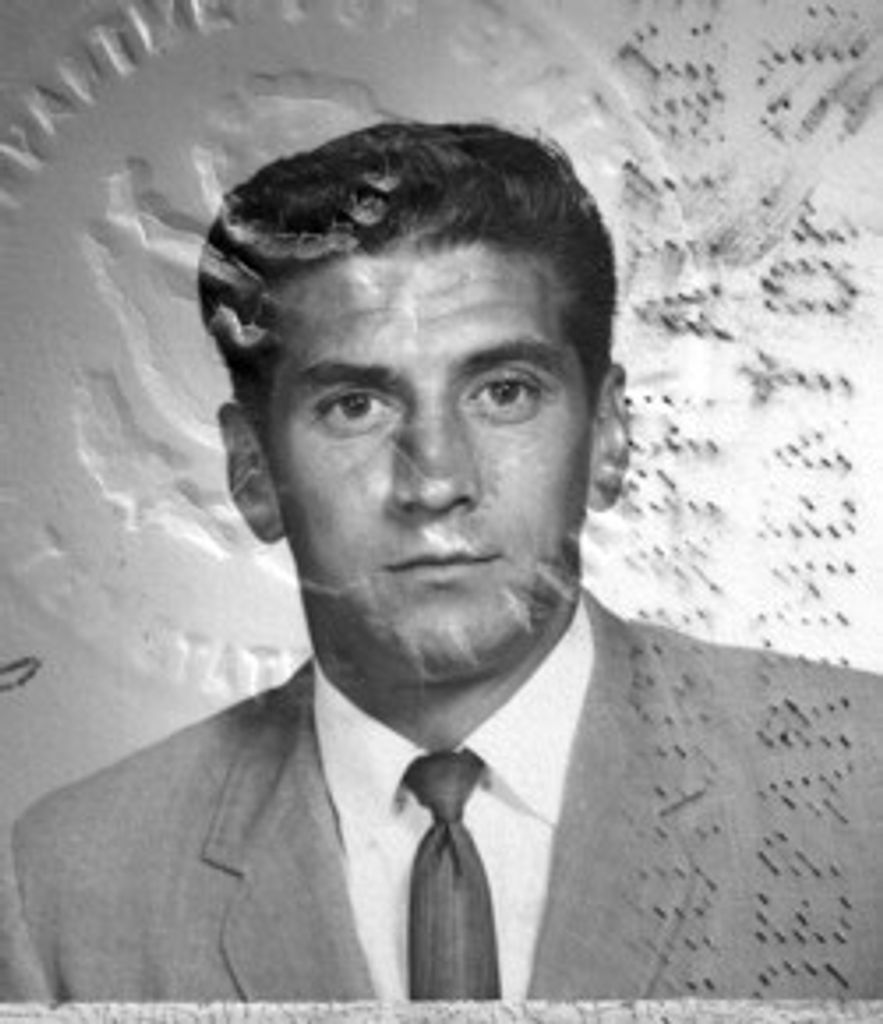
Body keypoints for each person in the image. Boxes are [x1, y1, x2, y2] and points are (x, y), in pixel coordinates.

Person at [3, 121, 883, 1002]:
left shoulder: (862, 787)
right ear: (253, 471)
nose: (435, 481)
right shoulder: (64, 886)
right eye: (355, 406)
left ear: (609, 437)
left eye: (504, 393)